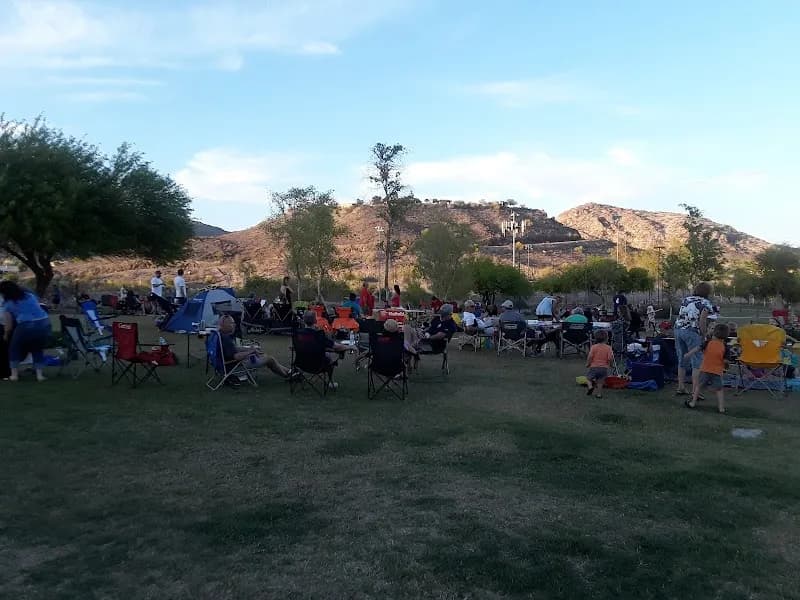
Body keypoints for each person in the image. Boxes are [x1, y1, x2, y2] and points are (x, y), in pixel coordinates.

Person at [0, 281, 52, 382]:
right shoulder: (29, 296)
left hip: (26, 325)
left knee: (14, 348)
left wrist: (6, 335)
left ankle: (14, 375)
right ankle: (39, 376)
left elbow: (9, 325)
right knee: (37, 348)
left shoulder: (8, 304)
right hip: (44, 323)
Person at [218, 315, 295, 382]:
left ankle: (290, 371)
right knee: (270, 359)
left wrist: (249, 349)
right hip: (235, 367)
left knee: (264, 356)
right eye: (231, 323)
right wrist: (250, 352)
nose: (234, 325)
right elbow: (236, 356)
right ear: (224, 325)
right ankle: (289, 376)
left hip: (228, 365)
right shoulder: (226, 339)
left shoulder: (221, 336)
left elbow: (234, 350)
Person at [675, 281, 715, 397]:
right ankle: (695, 392)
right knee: (697, 362)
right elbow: (702, 321)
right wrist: (704, 334)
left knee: (682, 359)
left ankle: (681, 387)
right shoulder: (706, 303)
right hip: (692, 332)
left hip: (678, 330)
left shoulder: (686, 299)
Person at [683, 322, 730, 414]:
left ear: (715, 333)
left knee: (698, 386)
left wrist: (688, 354)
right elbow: (726, 361)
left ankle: (693, 403)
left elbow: (697, 348)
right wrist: (726, 365)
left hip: (705, 369)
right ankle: (721, 408)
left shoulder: (708, 343)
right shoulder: (725, 347)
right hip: (717, 371)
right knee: (719, 389)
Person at [585, 330, 614, 399]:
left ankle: (590, 387)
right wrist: (611, 365)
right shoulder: (608, 348)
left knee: (588, 378)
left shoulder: (594, 347)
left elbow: (590, 356)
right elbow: (610, 358)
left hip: (594, 367)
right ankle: (599, 394)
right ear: (607, 338)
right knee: (600, 382)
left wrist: (588, 364)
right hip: (604, 368)